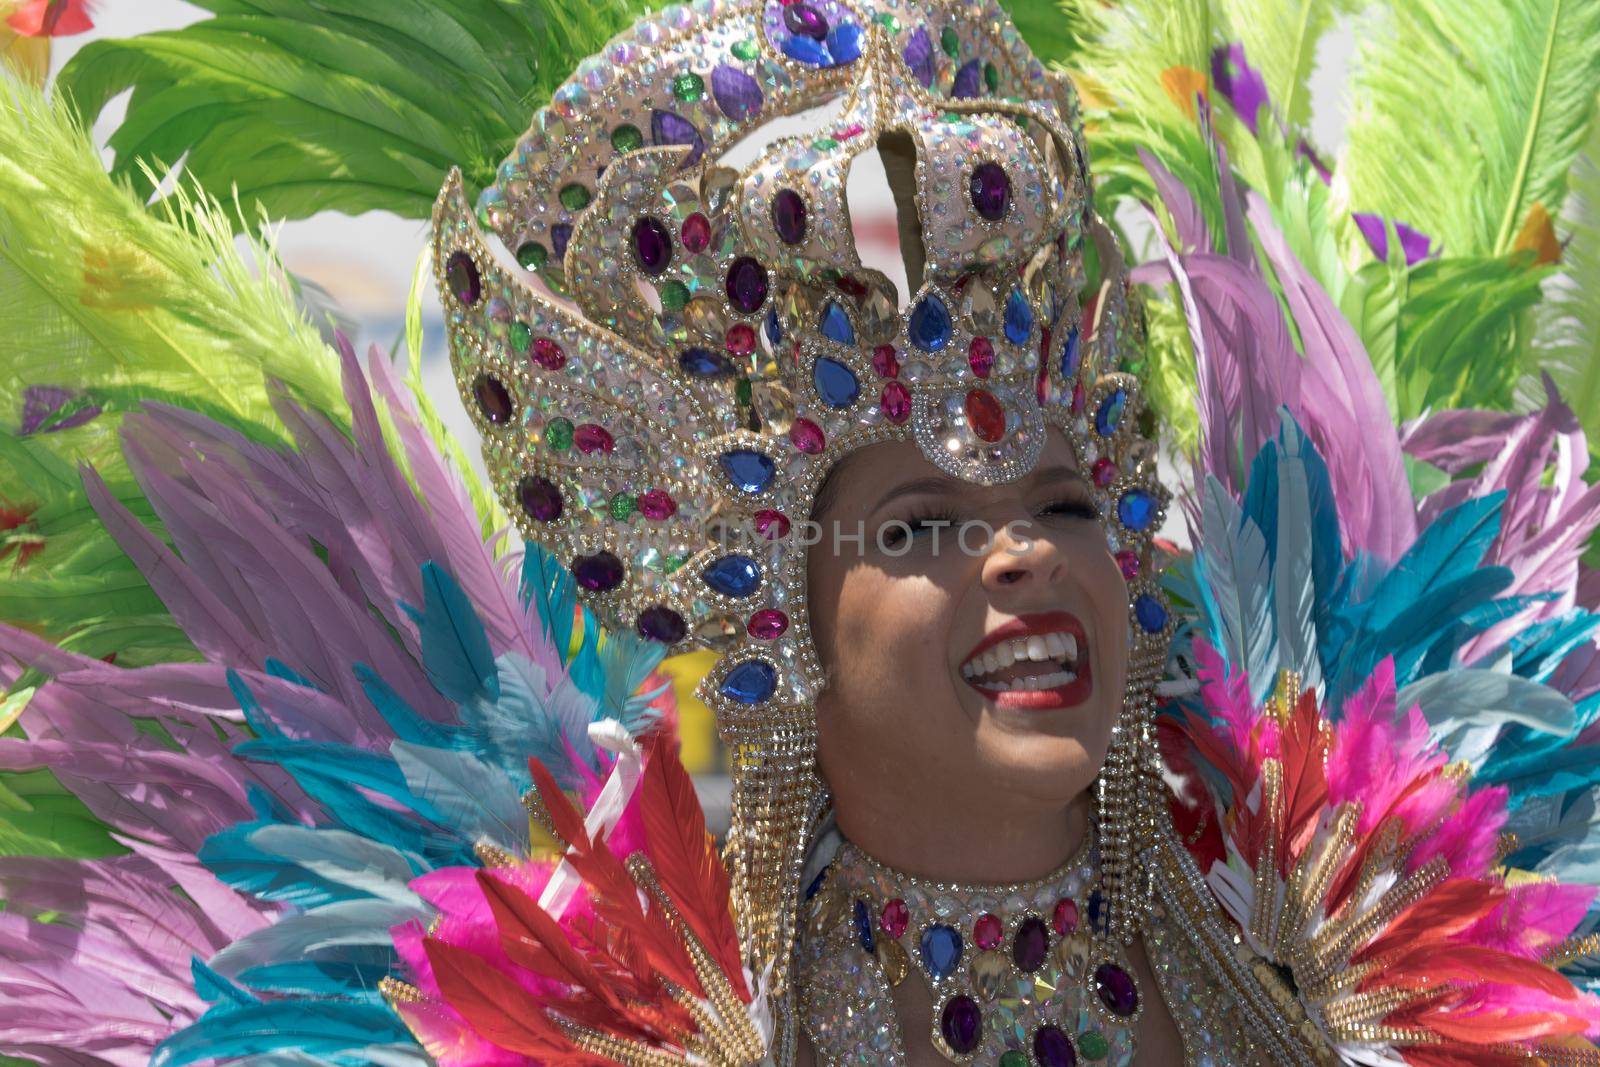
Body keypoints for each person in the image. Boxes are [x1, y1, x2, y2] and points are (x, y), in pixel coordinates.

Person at [2, 1, 1600, 1065]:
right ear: (772, 620)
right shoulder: (565, 1023)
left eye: (1060, 504)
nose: (1024, 555)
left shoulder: (1386, 935)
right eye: (917, 527)